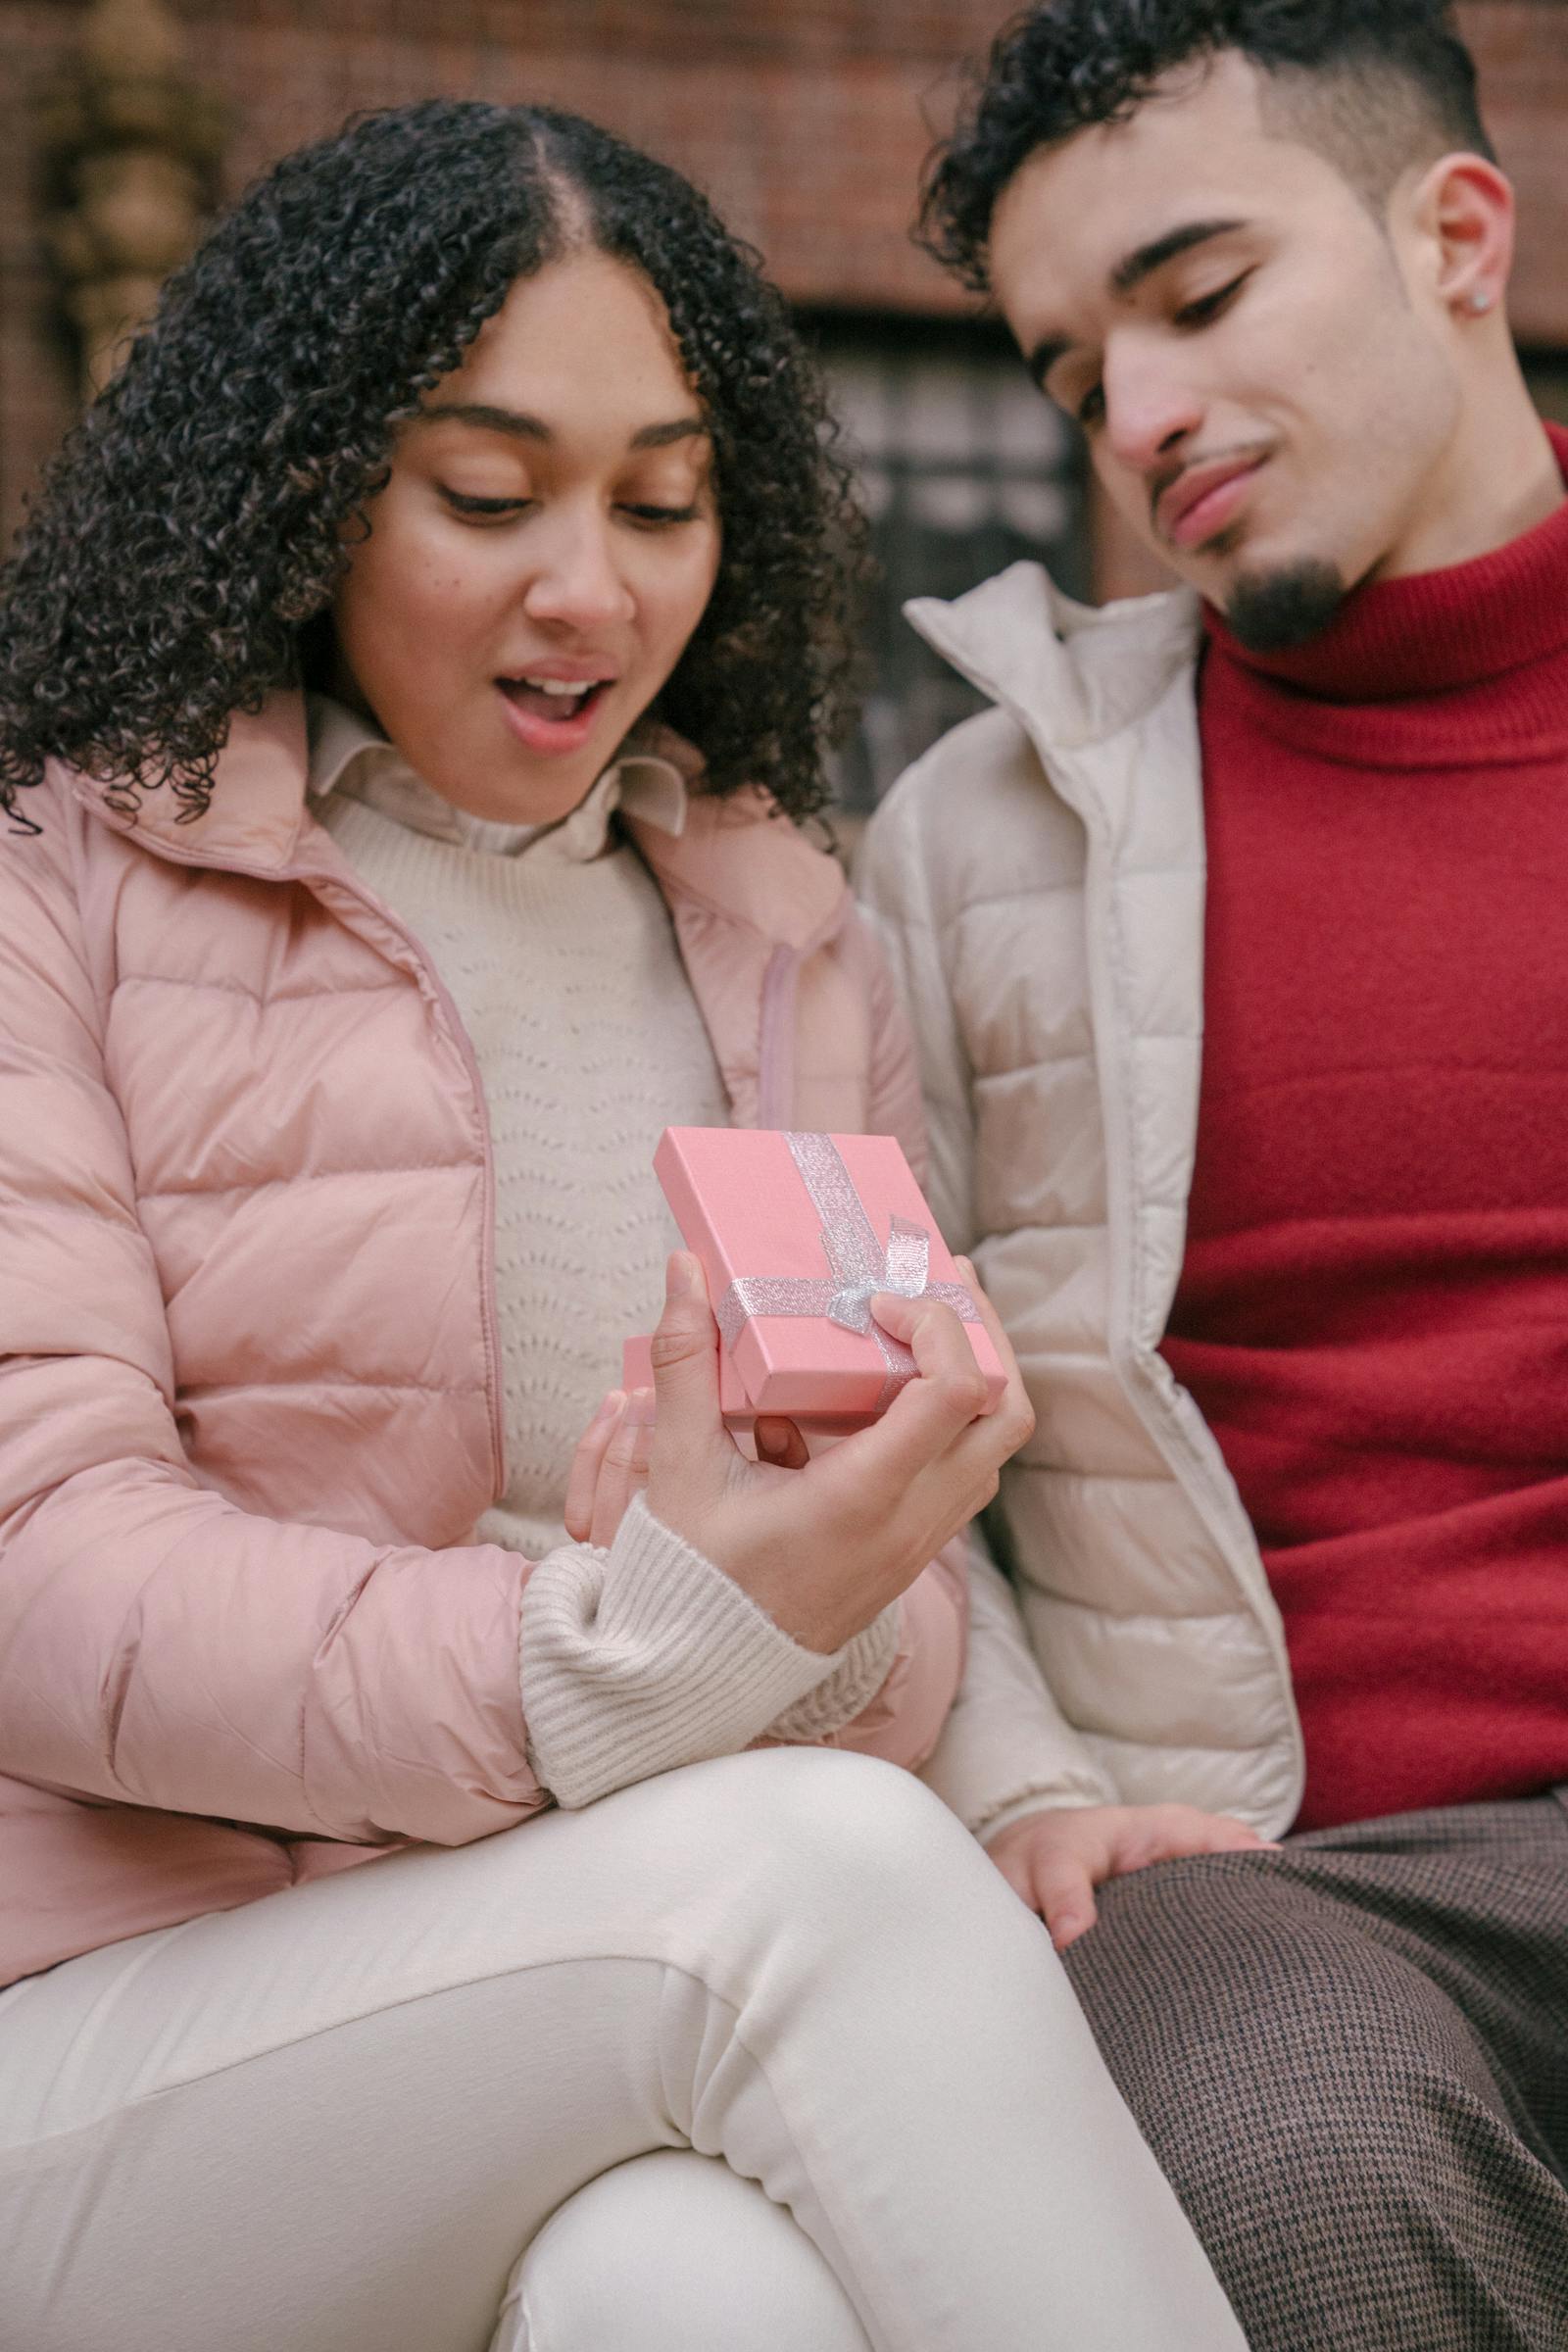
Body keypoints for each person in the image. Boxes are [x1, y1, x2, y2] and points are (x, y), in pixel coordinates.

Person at [0, 96, 1250, 2352]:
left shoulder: (776, 926)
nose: (593, 586)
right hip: (103, 2022)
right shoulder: (48, 882)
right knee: (816, 1871)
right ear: (308, 486)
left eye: (660, 503)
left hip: (570, 1981)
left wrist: (1004, 1760)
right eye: (488, 497)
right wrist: (629, 1656)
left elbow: (881, 1515)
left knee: (690, 2295)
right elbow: (39, 1564)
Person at [858, 2, 1568, 2345]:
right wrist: (1021, 1785)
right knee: (1294, 2172)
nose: (1136, 419)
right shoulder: (973, 844)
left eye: (1194, 296)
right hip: (1274, 1877)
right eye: (1072, 374)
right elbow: (880, 1427)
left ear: (1451, 234)